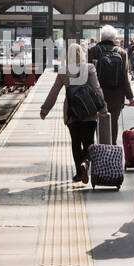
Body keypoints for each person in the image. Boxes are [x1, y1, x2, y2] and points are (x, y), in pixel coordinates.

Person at [39, 44, 109, 184]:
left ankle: (78, 173)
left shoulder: (63, 71)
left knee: (75, 143)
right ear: (81, 54)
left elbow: (54, 91)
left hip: (72, 112)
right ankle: (85, 163)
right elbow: (97, 88)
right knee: (89, 142)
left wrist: (45, 109)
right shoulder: (89, 68)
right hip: (89, 112)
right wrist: (103, 108)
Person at [87, 25, 134, 143]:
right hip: (116, 96)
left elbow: (87, 75)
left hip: (97, 94)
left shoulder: (93, 51)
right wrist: (130, 97)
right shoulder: (122, 52)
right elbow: (124, 77)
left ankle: (100, 148)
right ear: (114, 38)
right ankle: (112, 147)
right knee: (113, 122)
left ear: (102, 37)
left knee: (98, 121)